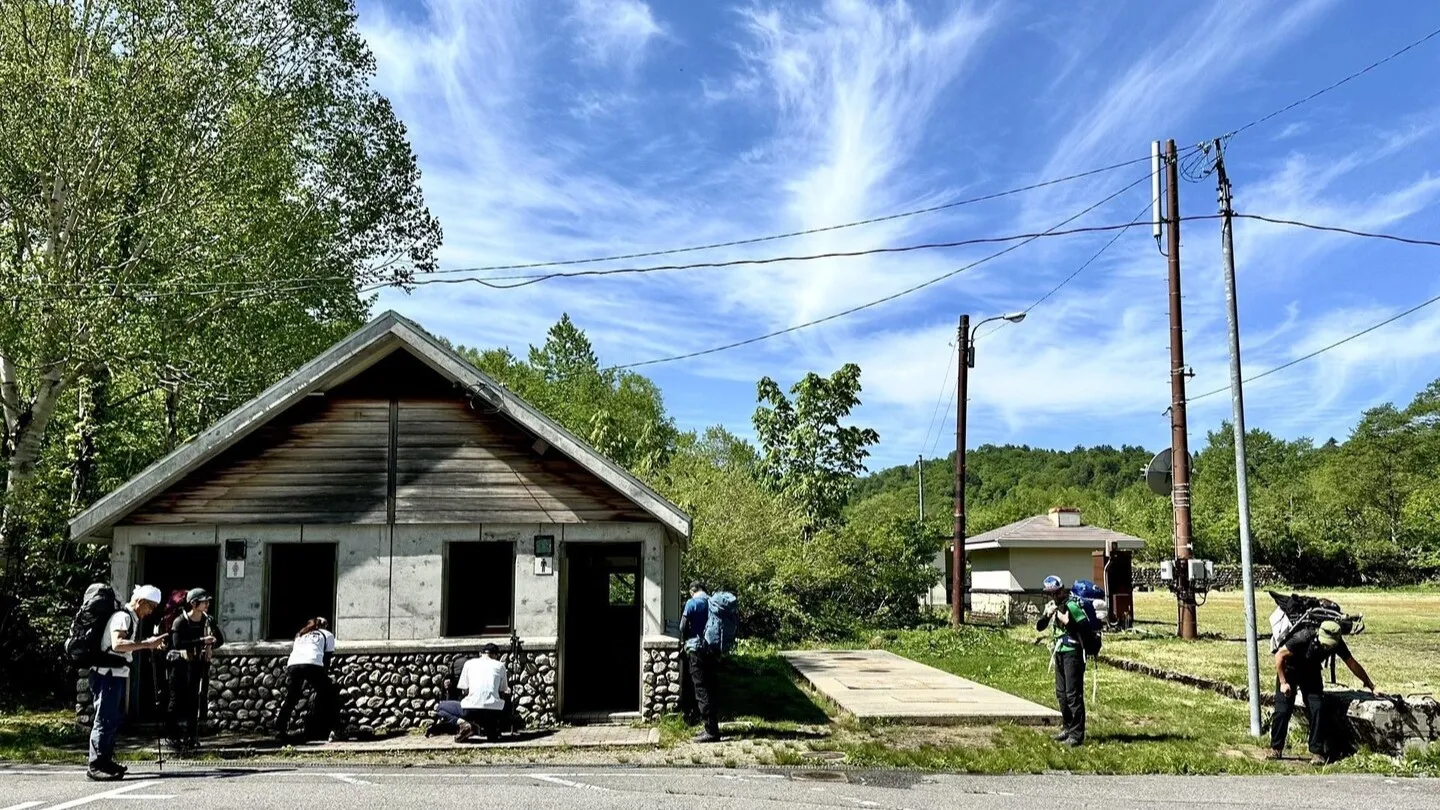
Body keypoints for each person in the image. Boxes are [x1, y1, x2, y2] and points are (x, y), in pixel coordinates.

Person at [88, 584, 167, 781]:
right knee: (104, 719)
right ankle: (96, 765)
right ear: (140, 601)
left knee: (112, 719)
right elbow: (117, 644)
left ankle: (105, 761)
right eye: (150, 607)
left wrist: (147, 643)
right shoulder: (122, 617)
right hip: (107, 674)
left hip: (115, 674)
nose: (150, 612)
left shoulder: (130, 618)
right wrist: (147, 644)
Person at [1269, 619, 1375, 764]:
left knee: (1318, 708)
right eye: (1324, 644)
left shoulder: (1338, 643)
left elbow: (1352, 663)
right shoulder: (1302, 637)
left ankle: (1317, 752)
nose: (1326, 648)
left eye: (1329, 646)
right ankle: (1276, 748)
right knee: (1283, 710)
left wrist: (1371, 686)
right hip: (1290, 670)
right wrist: (1283, 682)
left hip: (1311, 672)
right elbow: (1279, 656)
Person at [165, 588, 224, 751]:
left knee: (193, 700)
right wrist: (201, 640)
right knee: (176, 700)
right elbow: (178, 644)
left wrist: (209, 644)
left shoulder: (208, 620)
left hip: (197, 663)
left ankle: (191, 736)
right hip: (180, 664)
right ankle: (172, 736)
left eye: (207, 601)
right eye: (204, 601)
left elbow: (220, 640)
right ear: (194, 603)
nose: (207, 604)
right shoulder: (180, 621)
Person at [1035, 575, 1087, 747]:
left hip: (1072, 653)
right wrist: (1048, 615)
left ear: (1062, 590)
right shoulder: (1054, 606)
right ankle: (1067, 727)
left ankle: (1077, 734)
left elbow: (1083, 629)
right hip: (1059, 653)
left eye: (1055, 593)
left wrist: (1067, 621)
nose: (1053, 597)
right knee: (1062, 694)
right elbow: (1039, 627)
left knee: (1073, 695)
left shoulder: (1072, 606)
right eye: (1050, 594)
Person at [274, 617, 339, 743]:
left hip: (293, 664)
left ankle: (280, 729)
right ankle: (335, 730)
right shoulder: (327, 635)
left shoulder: (300, 634)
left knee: (292, 697)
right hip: (312, 664)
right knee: (330, 693)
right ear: (325, 626)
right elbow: (326, 659)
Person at [680, 581, 721, 743]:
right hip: (712, 650)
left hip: (696, 649)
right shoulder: (712, 602)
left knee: (701, 688)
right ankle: (713, 727)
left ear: (693, 591)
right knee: (711, 687)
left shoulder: (692, 603)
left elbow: (682, 627)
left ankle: (710, 732)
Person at [454, 643, 512, 743]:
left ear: (481, 653)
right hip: (493, 710)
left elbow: (464, 690)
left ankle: (465, 724)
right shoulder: (500, 666)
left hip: (471, 709)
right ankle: (492, 730)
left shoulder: (469, 664)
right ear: (496, 655)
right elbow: (502, 691)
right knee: (500, 704)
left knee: (442, 707)